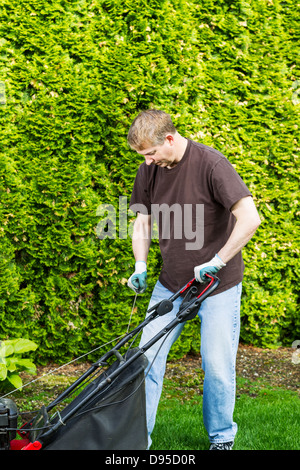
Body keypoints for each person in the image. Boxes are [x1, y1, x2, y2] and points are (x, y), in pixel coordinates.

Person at [126, 109, 261, 450]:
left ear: (169, 139)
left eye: (151, 154)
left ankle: (221, 437)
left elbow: (249, 217)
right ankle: (139, 441)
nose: (148, 161)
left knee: (216, 366)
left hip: (218, 287)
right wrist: (140, 265)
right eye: (144, 157)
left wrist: (217, 260)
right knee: (146, 360)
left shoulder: (211, 164)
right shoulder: (149, 170)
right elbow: (141, 221)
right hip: (170, 284)